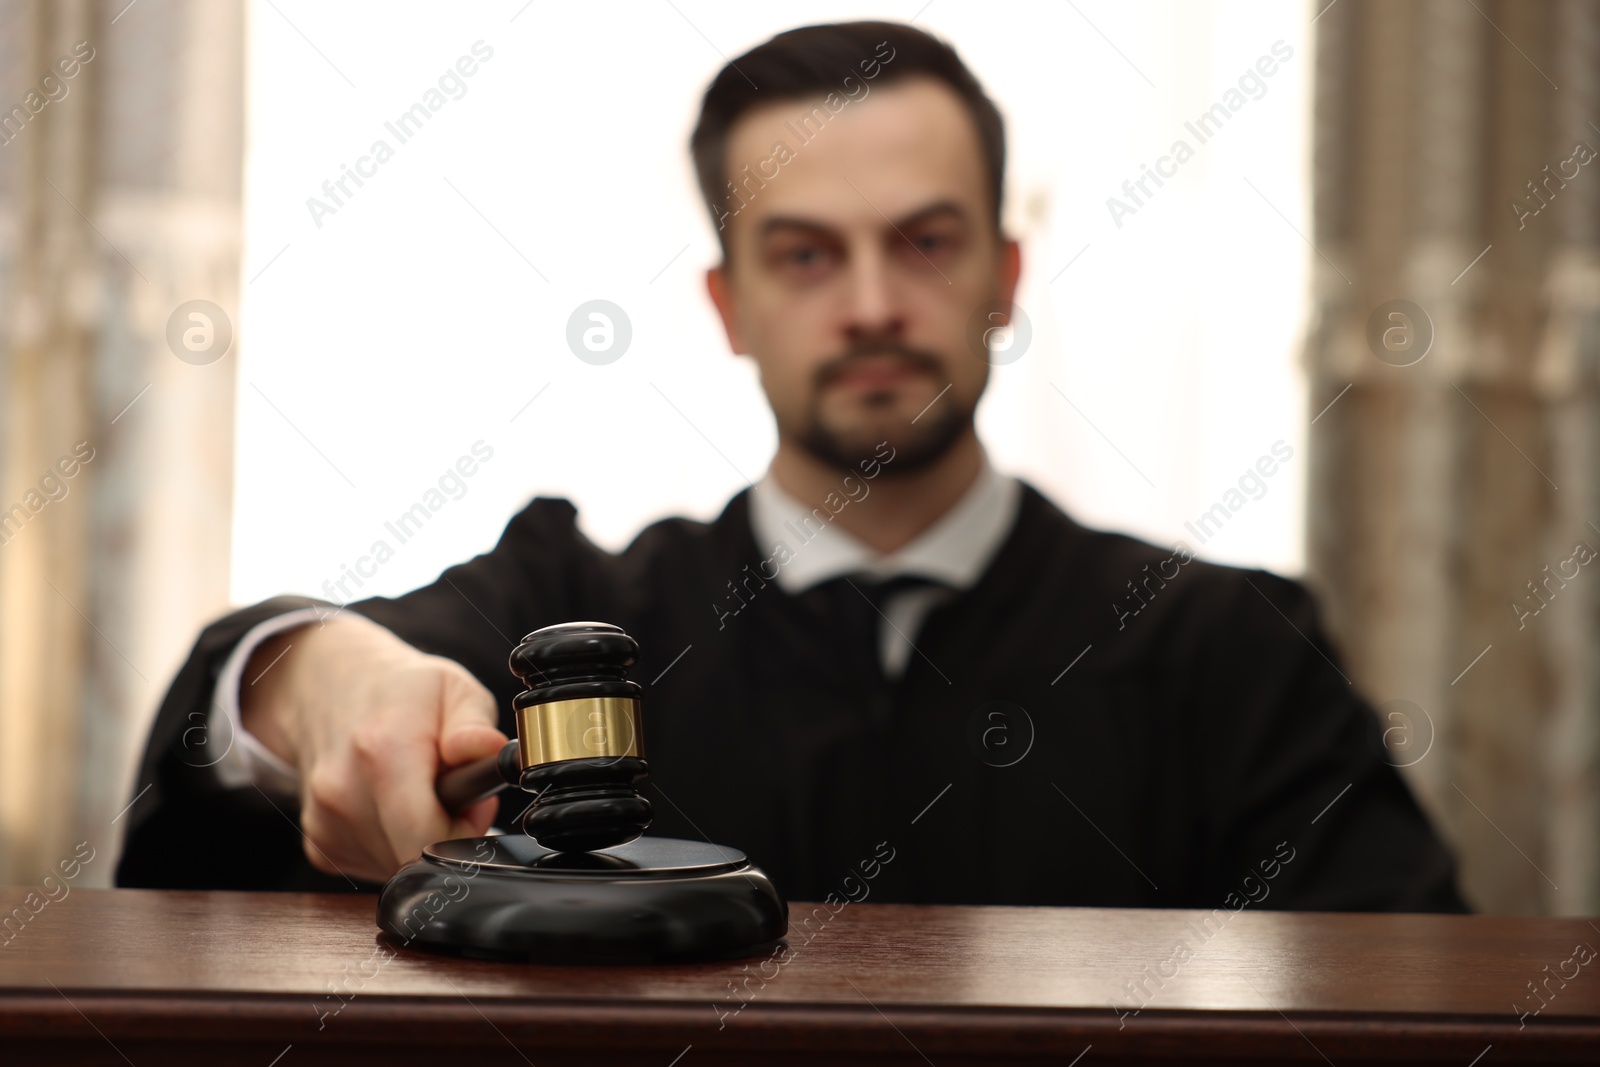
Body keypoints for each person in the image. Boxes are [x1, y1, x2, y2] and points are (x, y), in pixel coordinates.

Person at [116, 20, 1467, 912]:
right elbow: (244, 733)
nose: (873, 303)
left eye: (927, 243)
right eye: (807, 255)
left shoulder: (1224, 648)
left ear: (1004, 276)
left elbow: (1401, 993)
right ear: (728, 304)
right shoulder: (575, 620)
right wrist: (315, 675)